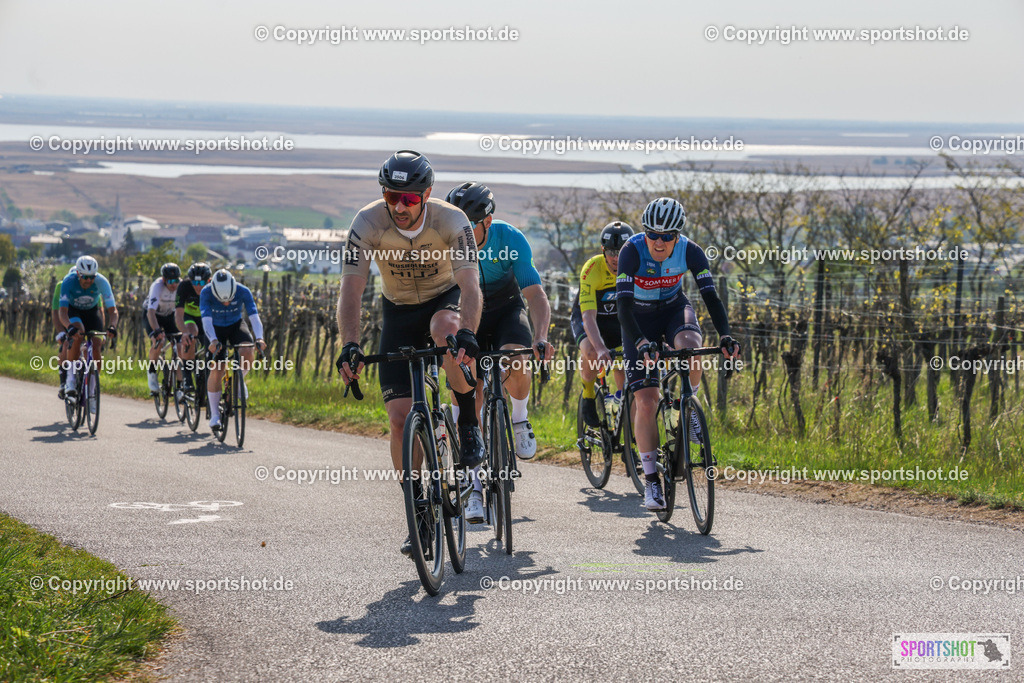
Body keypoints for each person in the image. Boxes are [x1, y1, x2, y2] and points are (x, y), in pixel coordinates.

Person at [336, 150, 484, 557]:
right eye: (391, 196)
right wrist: (350, 344)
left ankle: (467, 421)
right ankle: (416, 508)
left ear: (427, 194)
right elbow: (351, 290)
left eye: (410, 198)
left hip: (444, 299)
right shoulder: (367, 222)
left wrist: (468, 332)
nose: (399, 206)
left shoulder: (452, 220)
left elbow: (471, 285)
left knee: (446, 331)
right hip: (397, 310)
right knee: (400, 418)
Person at [617, 198, 740, 511]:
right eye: (653, 235)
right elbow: (623, 307)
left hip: (673, 309)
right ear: (644, 233)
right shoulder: (631, 250)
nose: (659, 243)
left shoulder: (691, 251)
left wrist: (725, 333)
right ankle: (651, 482)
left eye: (667, 236)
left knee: (690, 347)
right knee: (646, 400)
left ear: (677, 235)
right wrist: (642, 342)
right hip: (638, 319)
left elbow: (710, 296)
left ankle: (688, 408)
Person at [445, 181, 553, 524]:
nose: (459, 234)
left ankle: (519, 419)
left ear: (487, 223)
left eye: (468, 226)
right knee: (468, 392)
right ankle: (474, 487)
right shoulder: (447, 244)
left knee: (516, 358)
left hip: (506, 310)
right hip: (467, 318)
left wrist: (541, 336)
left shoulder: (510, 239)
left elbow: (535, 296)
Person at [572, 222, 632, 427]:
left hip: (617, 321)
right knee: (589, 351)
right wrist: (599, 348)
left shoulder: (637, 266)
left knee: (624, 371)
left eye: (621, 251)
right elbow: (588, 316)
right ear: (603, 251)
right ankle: (588, 396)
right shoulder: (592, 268)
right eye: (611, 252)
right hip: (589, 318)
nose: (616, 258)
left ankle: (626, 429)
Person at [199, 269, 266, 430]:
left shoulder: (243, 291)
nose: (226, 303)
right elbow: (206, 321)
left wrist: (259, 338)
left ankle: (238, 381)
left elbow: (254, 317)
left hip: (236, 324)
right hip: (215, 328)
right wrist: (213, 340)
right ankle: (215, 415)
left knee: (248, 351)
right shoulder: (206, 292)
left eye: (229, 300)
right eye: (222, 301)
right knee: (217, 368)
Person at [59, 256, 118, 398]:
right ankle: (71, 381)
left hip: (92, 312)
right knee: (78, 333)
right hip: (74, 311)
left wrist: (112, 327)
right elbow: (62, 312)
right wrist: (69, 327)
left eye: (92, 277)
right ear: (78, 274)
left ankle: (92, 390)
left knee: (97, 344)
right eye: (85, 277)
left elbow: (113, 311)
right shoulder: (68, 281)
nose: (89, 281)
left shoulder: (102, 282)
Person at [144, 263, 181, 394]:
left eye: (176, 280)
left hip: (170, 315)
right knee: (158, 341)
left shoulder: (180, 287)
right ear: (164, 279)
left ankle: (180, 386)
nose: (174, 285)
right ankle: (152, 372)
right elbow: (151, 313)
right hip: (154, 316)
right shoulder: (157, 287)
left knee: (180, 345)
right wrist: (157, 331)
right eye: (170, 281)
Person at [175, 262, 212, 396]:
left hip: (207, 318)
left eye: (201, 283)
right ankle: (187, 377)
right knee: (191, 333)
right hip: (189, 317)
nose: (198, 286)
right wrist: (184, 332)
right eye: (194, 283)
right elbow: (178, 314)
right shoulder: (184, 286)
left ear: (208, 281)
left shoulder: (213, 288)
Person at [52, 265, 76, 399]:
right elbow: (56, 312)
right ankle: (63, 382)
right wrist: (61, 331)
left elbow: (99, 309)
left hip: (83, 315)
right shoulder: (61, 286)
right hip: (66, 315)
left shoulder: (89, 287)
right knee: (66, 344)